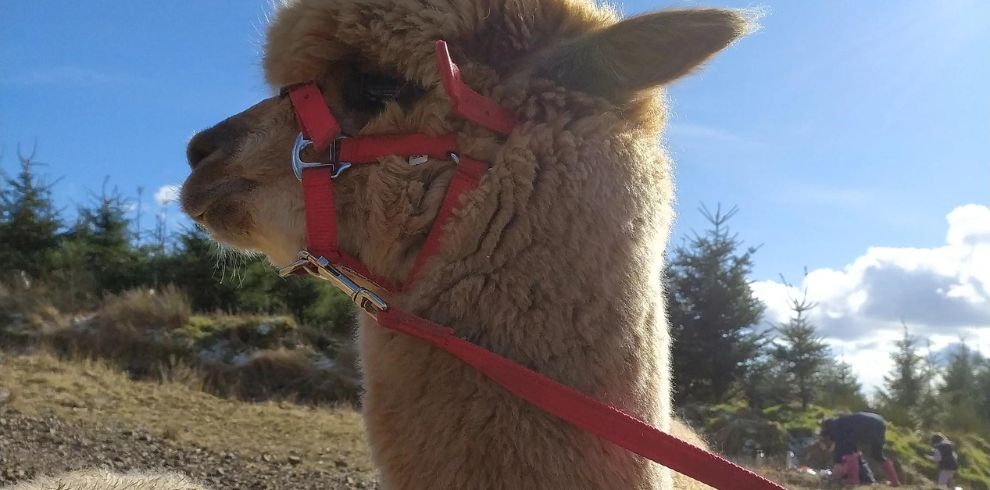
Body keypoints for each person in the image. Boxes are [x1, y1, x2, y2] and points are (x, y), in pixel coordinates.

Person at [819, 412, 901, 486]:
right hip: (879, 423)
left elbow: (841, 449)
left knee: (848, 450)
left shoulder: (834, 427)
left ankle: (853, 480)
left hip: (865, 426)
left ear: (827, 435)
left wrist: (837, 464)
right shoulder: (842, 424)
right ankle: (895, 481)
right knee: (878, 455)